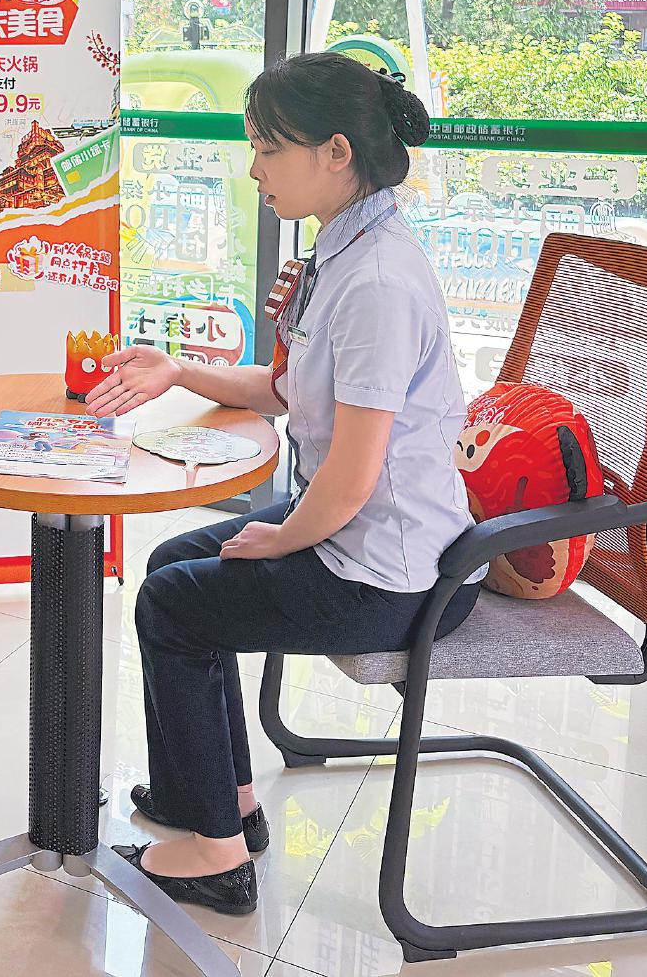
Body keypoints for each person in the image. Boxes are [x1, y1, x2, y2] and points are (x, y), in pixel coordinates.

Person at [87, 52, 482, 916]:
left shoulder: (375, 283)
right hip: (358, 534)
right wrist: (177, 369)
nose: (254, 169)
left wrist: (279, 537)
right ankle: (222, 801)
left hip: (391, 576)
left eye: (268, 149)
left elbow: (351, 478)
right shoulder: (343, 250)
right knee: (173, 566)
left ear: (335, 152)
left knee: (174, 604)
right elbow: (281, 389)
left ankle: (218, 860)